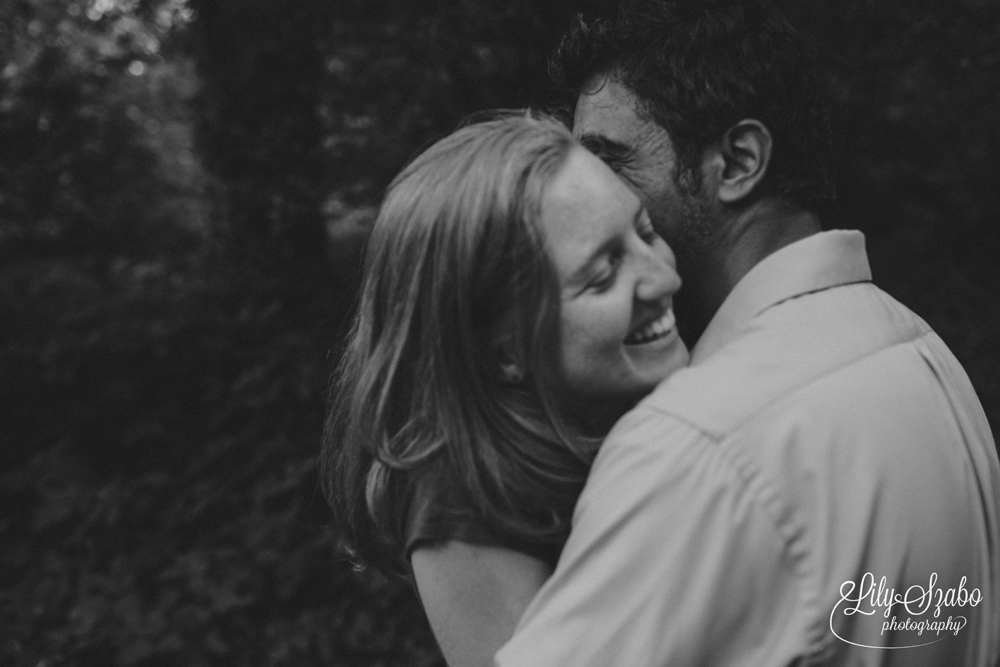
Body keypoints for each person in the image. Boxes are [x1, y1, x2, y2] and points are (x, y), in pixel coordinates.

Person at [494, 1, 1000, 666]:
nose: (590, 200)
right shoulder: (924, 357)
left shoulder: (697, 442)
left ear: (737, 161)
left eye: (608, 163)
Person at [320, 112, 689, 667]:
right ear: (504, 352)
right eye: (602, 275)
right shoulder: (463, 502)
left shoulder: (635, 394)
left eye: (645, 232)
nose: (664, 279)